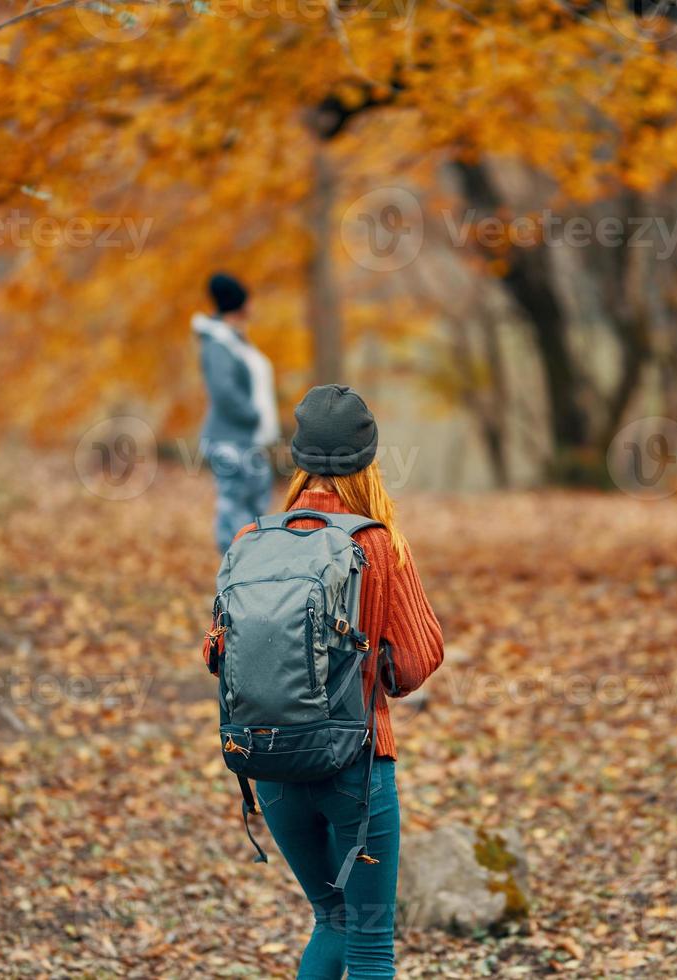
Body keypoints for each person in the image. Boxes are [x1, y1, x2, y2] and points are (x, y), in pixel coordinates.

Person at [238, 384, 444, 979]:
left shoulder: (252, 541)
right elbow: (414, 660)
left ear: (299, 459)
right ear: (368, 460)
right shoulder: (377, 543)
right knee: (372, 943)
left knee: (332, 918)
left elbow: (216, 648)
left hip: (272, 766)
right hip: (356, 767)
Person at [193, 272, 280, 554]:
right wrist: (254, 415)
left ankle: (249, 574)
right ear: (239, 303)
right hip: (230, 439)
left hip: (249, 440)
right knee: (234, 510)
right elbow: (223, 390)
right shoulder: (218, 343)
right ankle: (233, 577)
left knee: (256, 508)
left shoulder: (235, 340)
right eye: (248, 299)